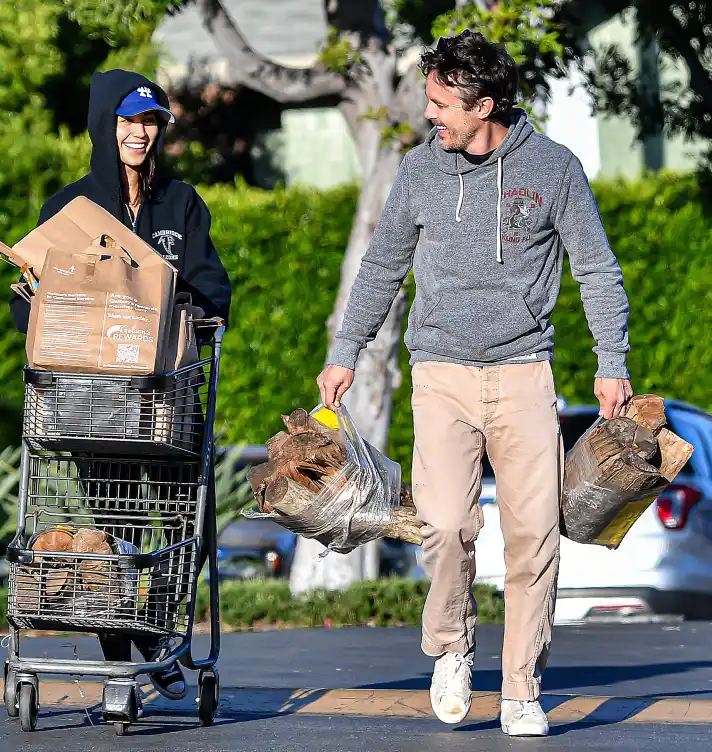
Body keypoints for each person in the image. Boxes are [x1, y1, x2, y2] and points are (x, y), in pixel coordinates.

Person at [316, 31, 632, 738]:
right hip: (442, 374)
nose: (430, 114)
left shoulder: (553, 168)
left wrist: (612, 361)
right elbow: (381, 265)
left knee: (534, 537)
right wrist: (346, 349)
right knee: (448, 525)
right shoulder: (420, 171)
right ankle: (453, 647)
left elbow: (597, 269)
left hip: (524, 374)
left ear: (483, 103)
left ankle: (521, 688)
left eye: (439, 102)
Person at [10, 69, 232, 699]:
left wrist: (181, 309)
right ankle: (133, 651)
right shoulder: (71, 209)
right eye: (129, 121)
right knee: (112, 519)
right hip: (92, 403)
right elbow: (30, 306)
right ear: (103, 126)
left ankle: (158, 627)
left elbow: (211, 288)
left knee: (176, 518)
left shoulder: (179, 205)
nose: (140, 134)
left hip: (163, 400)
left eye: (150, 122)